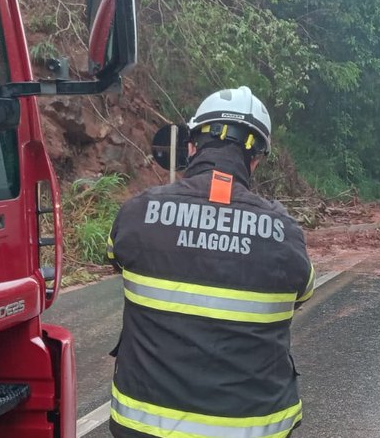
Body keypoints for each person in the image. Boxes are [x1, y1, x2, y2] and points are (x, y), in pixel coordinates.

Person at [107, 86, 315, 438]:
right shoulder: (284, 232)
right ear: (256, 159)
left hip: (143, 426)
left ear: (191, 147)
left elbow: (116, 260)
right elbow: (302, 295)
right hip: (253, 429)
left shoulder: (137, 214)